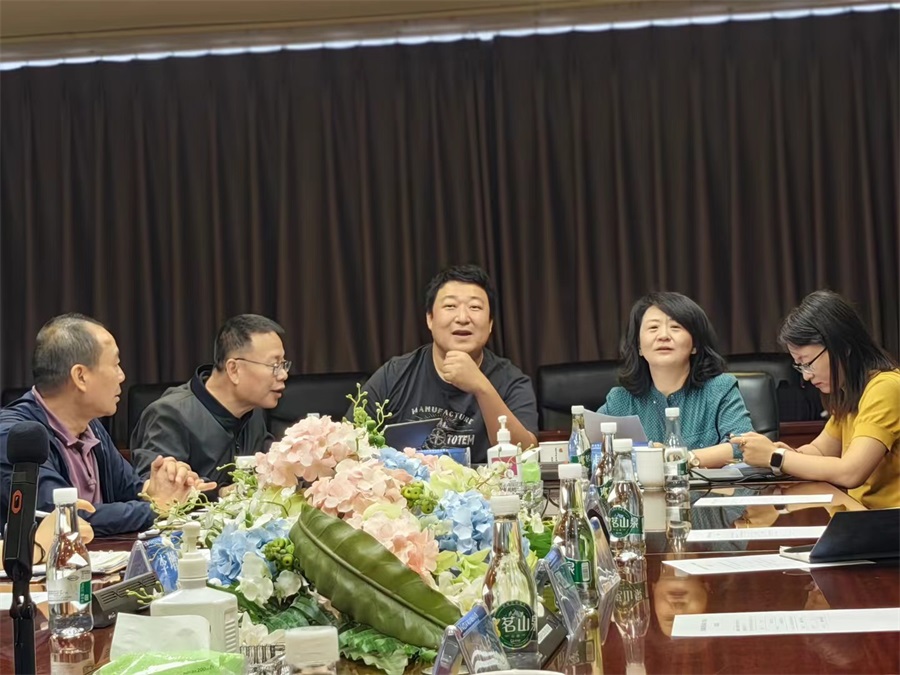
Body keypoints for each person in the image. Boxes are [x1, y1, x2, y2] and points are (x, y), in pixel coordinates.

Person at [0, 314, 214, 537]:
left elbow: (129, 489)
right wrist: (158, 508)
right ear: (80, 376)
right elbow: (63, 517)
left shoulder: (90, 426)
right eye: (115, 364)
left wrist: (161, 488)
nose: (122, 376)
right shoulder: (15, 437)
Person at [354, 264, 538, 464]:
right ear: (430, 319)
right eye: (450, 306)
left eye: (475, 307)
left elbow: (525, 456)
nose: (463, 318)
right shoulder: (394, 374)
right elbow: (349, 444)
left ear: (490, 323)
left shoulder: (511, 380)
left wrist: (482, 388)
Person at [736, 290, 900, 509]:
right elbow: (820, 451)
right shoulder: (851, 392)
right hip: (862, 516)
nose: (806, 376)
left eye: (808, 363)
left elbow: (851, 472)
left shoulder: (885, 388)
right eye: (800, 366)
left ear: (843, 348)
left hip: (888, 522)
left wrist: (776, 457)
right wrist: (778, 451)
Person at [131, 314, 287, 489]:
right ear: (234, 369)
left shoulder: (253, 412)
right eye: (274, 366)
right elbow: (154, 489)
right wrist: (218, 492)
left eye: (283, 365)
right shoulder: (169, 415)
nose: (283, 375)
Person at [600, 292, 753, 466]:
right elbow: (590, 447)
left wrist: (680, 458)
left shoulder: (719, 389)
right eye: (653, 328)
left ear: (695, 345)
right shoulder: (620, 400)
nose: (663, 336)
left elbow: (743, 445)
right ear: (639, 346)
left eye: (675, 327)